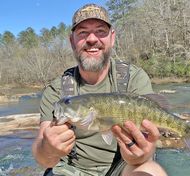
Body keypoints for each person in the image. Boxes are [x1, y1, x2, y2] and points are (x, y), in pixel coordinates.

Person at [32, 3, 168, 176]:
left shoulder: (134, 78)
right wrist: (48, 148)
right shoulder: (57, 89)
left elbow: (147, 150)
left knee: (151, 170)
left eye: (100, 31)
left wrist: (140, 155)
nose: (92, 39)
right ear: (72, 41)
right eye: (82, 32)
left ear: (112, 37)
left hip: (124, 166)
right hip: (71, 170)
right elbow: (43, 158)